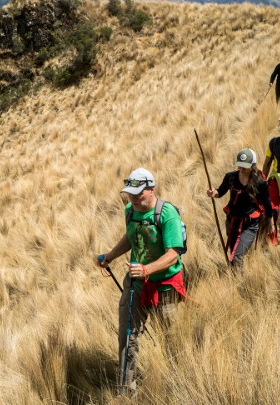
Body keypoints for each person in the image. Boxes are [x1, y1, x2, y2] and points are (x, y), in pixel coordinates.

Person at [96, 167, 186, 394]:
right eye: (130, 193)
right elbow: (131, 235)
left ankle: (177, 383)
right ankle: (126, 390)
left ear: (151, 189)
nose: (133, 198)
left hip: (165, 286)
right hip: (136, 284)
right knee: (127, 337)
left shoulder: (167, 214)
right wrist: (110, 256)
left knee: (171, 337)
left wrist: (147, 269)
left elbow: (173, 253)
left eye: (138, 193)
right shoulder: (130, 211)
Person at [207, 149, 275, 269]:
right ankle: (233, 277)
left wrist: (271, 222)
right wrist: (214, 192)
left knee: (237, 256)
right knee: (233, 252)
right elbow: (220, 191)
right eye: (240, 165)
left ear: (253, 165)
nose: (242, 168)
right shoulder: (231, 177)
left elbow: (267, 204)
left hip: (250, 225)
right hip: (232, 221)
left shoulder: (260, 182)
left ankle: (239, 283)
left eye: (245, 166)